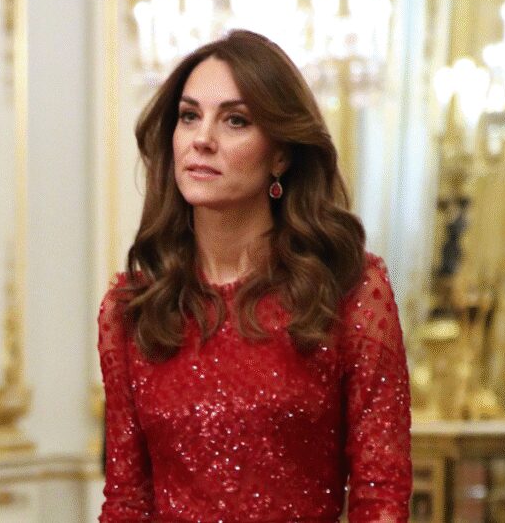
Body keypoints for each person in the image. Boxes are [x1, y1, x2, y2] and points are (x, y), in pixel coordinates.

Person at [98, 29, 411, 522]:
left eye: (235, 121)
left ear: (280, 154)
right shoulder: (132, 309)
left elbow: (381, 495)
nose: (202, 139)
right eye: (189, 116)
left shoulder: (349, 291)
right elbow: (126, 503)